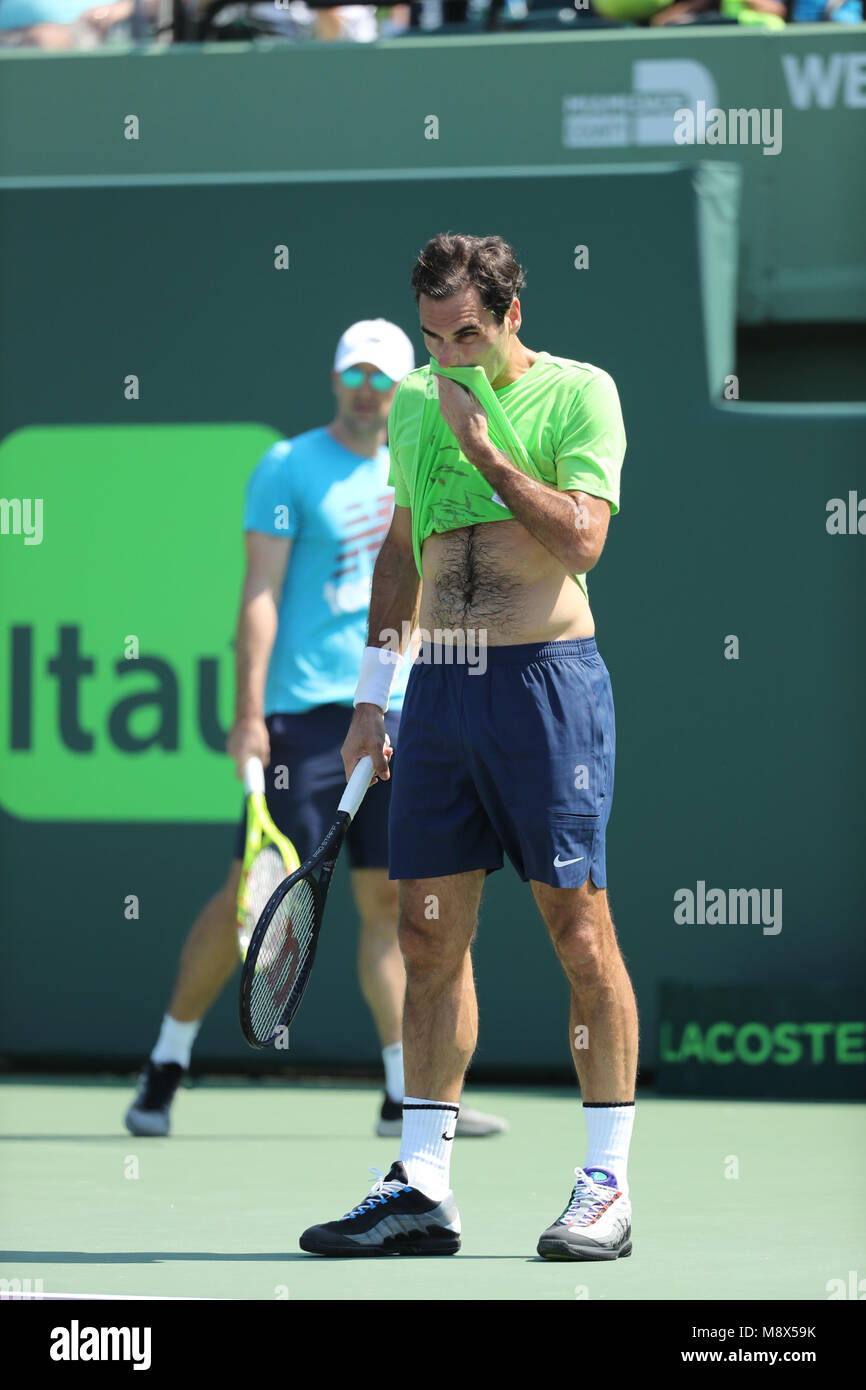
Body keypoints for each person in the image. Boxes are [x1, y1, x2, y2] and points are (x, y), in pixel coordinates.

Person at [299, 234, 637, 1261]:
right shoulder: (410, 402)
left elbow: (581, 541)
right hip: (437, 694)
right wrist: (371, 696)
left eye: (468, 337)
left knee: (577, 934)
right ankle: (420, 1184)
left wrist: (487, 446)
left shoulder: (580, 393)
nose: (448, 357)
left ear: (511, 317)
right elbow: (403, 552)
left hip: (546, 687)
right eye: (432, 339)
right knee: (426, 936)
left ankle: (605, 1184)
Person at [124, 317, 507, 1142]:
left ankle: (406, 1093)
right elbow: (259, 591)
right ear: (338, 380)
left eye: (383, 376)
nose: (366, 388)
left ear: (406, 387)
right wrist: (248, 712)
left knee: (394, 907)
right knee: (252, 898)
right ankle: (167, 1061)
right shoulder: (289, 466)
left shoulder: (431, 466)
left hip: (406, 708)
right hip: (306, 718)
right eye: (354, 374)